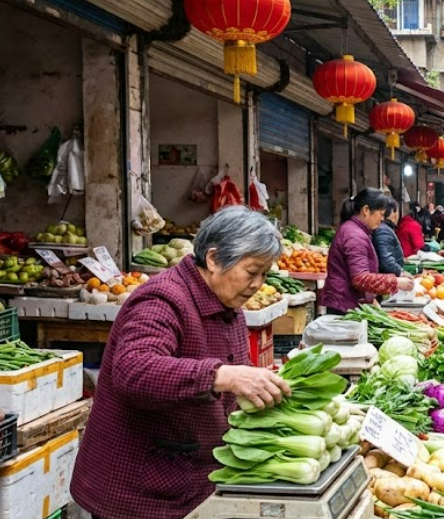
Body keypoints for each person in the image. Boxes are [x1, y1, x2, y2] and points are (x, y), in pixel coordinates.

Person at [71, 207, 295, 519]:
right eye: (251, 271)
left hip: (192, 478)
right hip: (139, 490)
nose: (258, 284)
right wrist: (223, 376)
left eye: (264, 274)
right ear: (214, 259)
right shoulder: (162, 300)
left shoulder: (227, 302)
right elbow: (134, 370)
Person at [321, 189, 415, 314]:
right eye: (381, 214)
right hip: (344, 306)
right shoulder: (354, 236)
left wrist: (371, 298)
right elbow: (360, 278)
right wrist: (395, 282)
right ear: (366, 210)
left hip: (349, 302)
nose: (382, 219)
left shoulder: (357, 231)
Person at [373, 199, 406, 276]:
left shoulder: (384, 229)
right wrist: (401, 273)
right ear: (394, 213)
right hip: (389, 279)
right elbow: (386, 261)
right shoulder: (383, 231)